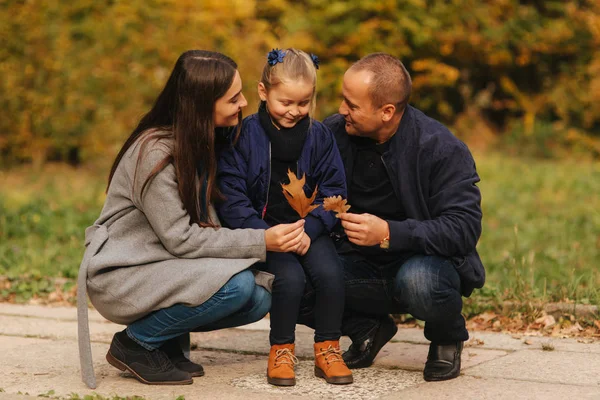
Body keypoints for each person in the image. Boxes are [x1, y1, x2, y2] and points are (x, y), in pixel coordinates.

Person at [76, 50, 307, 389]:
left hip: (163, 266)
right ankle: (135, 344)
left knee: (259, 297)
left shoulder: (199, 143)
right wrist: (262, 241)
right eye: (232, 98)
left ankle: (165, 340)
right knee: (237, 287)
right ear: (201, 105)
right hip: (122, 275)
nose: (243, 102)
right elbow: (182, 239)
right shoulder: (154, 153)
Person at [321, 52, 485, 381]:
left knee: (420, 281)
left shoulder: (440, 148)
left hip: (421, 264)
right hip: (356, 263)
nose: (341, 111)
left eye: (351, 105)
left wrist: (389, 234)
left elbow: (464, 229)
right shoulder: (333, 134)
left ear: (386, 112)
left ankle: (446, 336)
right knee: (286, 274)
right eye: (343, 100)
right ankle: (367, 328)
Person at [217, 48, 353, 386]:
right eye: (286, 102)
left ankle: (328, 347)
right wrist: (263, 235)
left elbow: (335, 191)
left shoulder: (320, 136)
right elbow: (232, 197)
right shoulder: (243, 135)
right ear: (263, 93)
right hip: (265, 232)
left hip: (310, 228)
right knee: (289, 281)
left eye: (303, 103)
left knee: (331, 274)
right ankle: (281, 350)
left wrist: (313, 226)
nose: (294, 111)